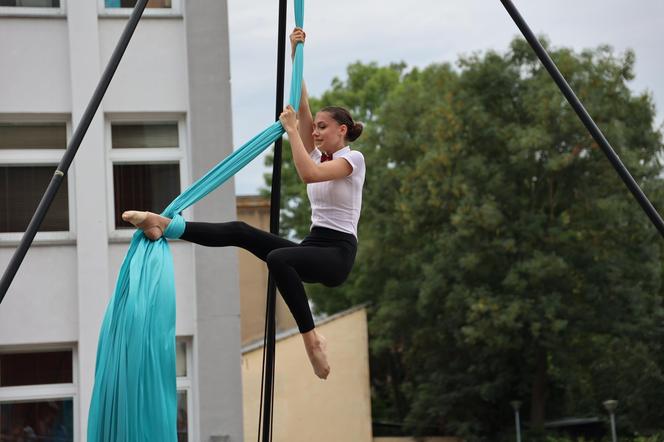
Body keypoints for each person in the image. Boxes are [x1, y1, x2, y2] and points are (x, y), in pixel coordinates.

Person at [121, 27, 365, 380]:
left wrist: (293, 132)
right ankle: (167, 225)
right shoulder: (317, 148)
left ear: (342, 130)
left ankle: (313, 341)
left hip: (337, 254)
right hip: (314, 246)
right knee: (240, 230)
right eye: (315, 128)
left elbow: (308, 174)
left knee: (279, 258)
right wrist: (296, 53)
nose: (315, 132)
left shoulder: (353, 160)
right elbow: (304, 102)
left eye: (323, 128)